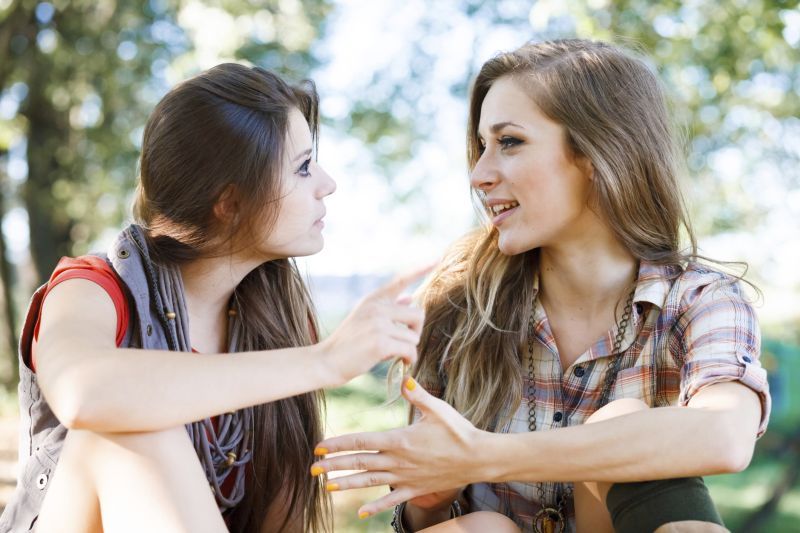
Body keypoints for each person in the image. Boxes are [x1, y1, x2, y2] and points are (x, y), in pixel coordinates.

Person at [310, 39, 771, 532]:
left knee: (622, 422)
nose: (479, 174)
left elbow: (724, 434)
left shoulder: (701, 300)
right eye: (482, 146)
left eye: (509, 142)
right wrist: (431, 497)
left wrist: (484, 457)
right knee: (486, 527)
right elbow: (424, 515)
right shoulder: (460, 308)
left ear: (599, 153)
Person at [0, 63, 426, 533]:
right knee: (139, 428)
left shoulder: (277, 323)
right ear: (230, 202)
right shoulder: (91, 289)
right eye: (303, 167)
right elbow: (86, 394)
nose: (327, 183)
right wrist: (324, 361)